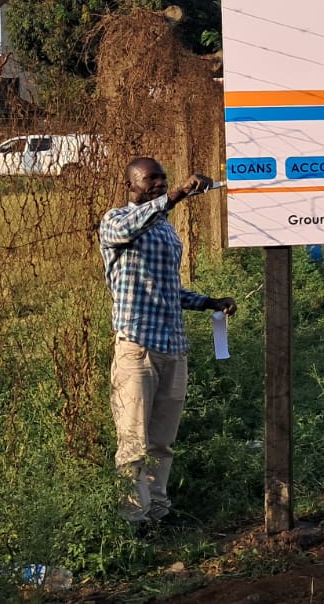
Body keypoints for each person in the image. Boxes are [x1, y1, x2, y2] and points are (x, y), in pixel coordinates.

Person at [99, 157, 236, 527]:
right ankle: (133, 519)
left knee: (162, 443)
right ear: (130, 183)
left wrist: (208, 302)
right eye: (150, 179)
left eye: (163, 178)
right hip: (137, 347)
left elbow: (169, 289)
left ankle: (158, 511)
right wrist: (175, 195)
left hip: (173, 347)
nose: (158, 183)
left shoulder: (165, 230)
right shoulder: (116, 221)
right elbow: (130, 225)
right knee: (132, 442)